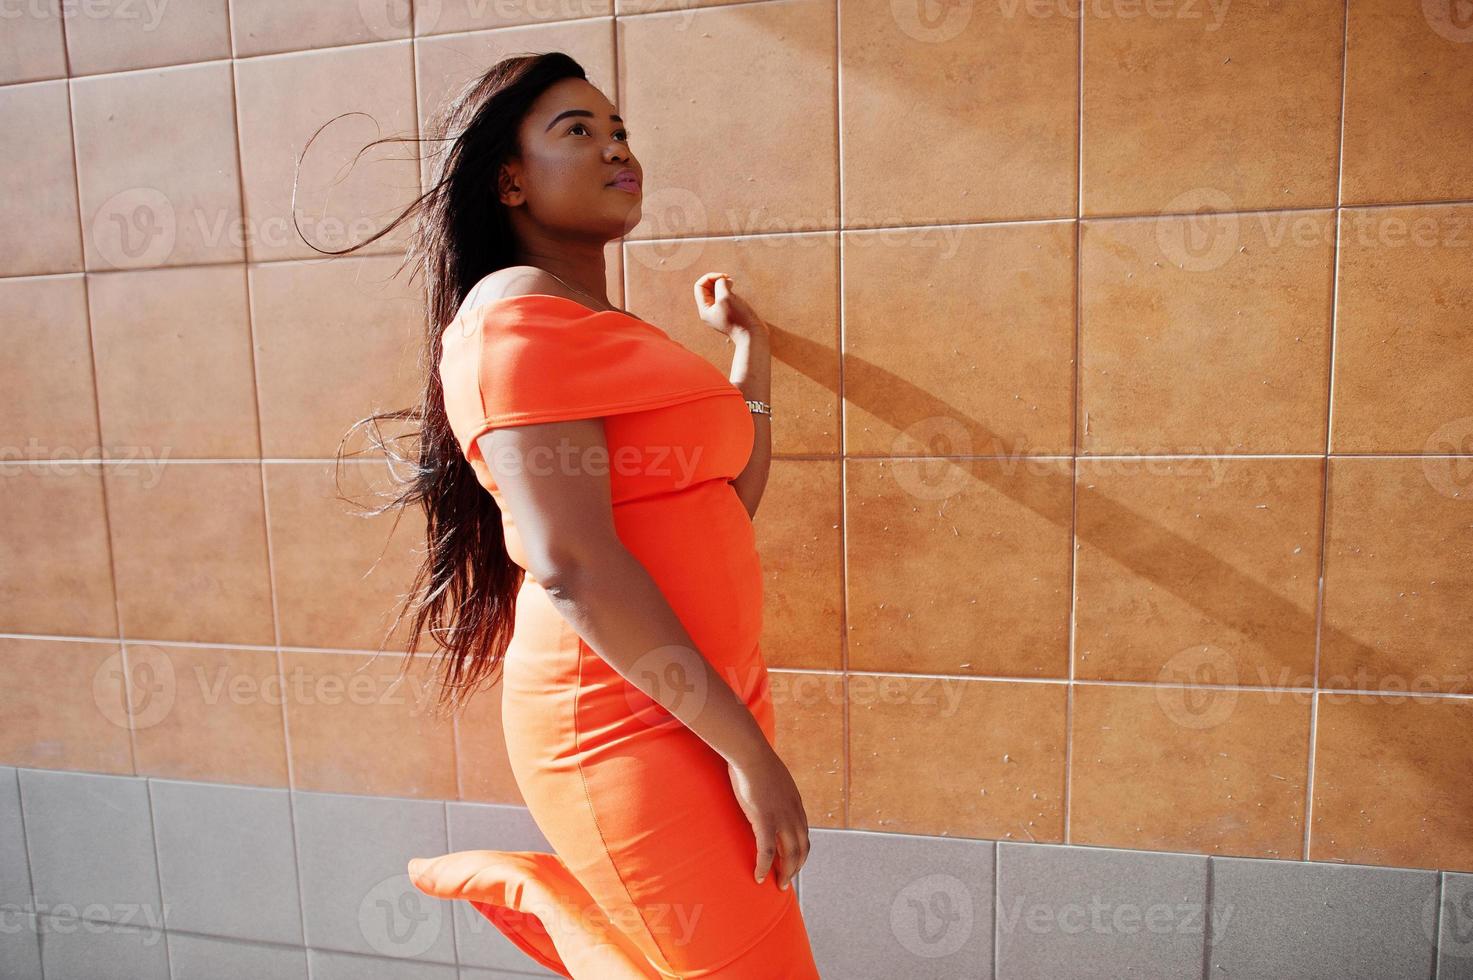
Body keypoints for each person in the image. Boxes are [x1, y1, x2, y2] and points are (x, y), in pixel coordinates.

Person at [319, 51, 821, 978]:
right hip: (622, 724)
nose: (615, 148)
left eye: (619, 130)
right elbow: (571, 564)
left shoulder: (603, 327)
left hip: (701, 700)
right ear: (509, 178)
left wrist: (749, 356)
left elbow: (725, 495)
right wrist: (750, 756)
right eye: (577, 131)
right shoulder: (512, 321)